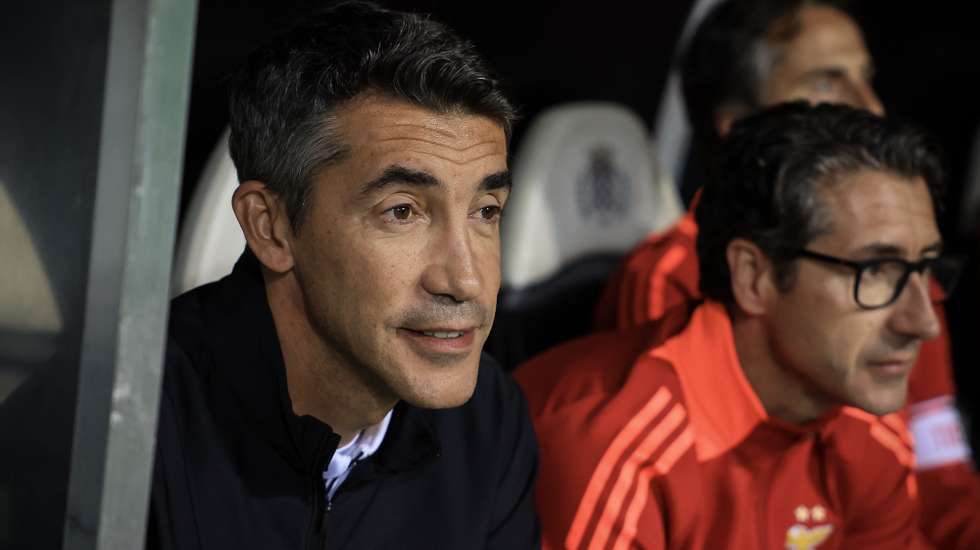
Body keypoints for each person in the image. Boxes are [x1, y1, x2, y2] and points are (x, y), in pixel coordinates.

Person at [147, 3, 539, 548]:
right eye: (402, 211)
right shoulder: (130, 428)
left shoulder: (488, 422)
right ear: (272, 227)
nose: (467, 281)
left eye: (486, 211)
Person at [592, 1, 979, 546]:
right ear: (739, 124)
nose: (870, 106)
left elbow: (942, 468)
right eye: (828, 80)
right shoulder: (670, 278)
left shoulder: (912, 284)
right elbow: (701, 493)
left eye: (867, 79)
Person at [518, 102, 954, 548]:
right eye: (877, 270)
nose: (923, 322)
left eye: (925, 268)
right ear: (753, 276)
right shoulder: (616, 448)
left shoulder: (869, 430)